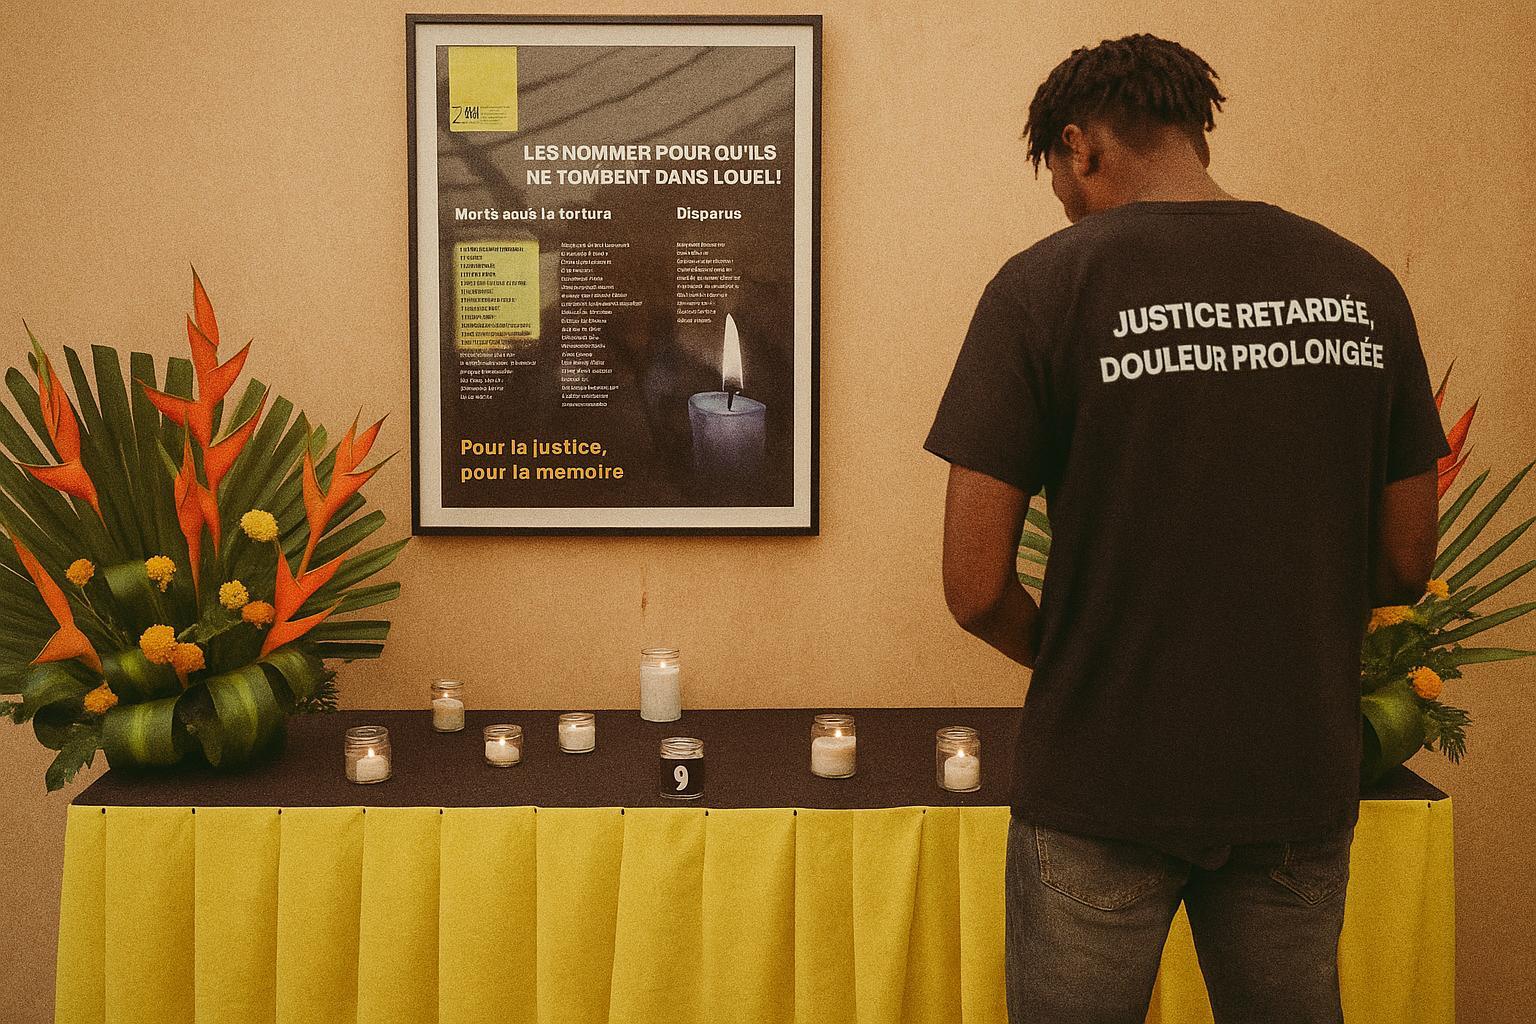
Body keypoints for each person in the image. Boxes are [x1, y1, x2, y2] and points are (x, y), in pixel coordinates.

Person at [923, 33, 1450, 1024]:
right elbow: (1405, 560)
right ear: (1191, 130)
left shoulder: (1042, 288)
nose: (1066, 204)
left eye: (1060, 182)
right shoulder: (1362, 287)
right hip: (1293, 774)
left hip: (1102, 781)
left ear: (1079, 146)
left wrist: (1082, 659)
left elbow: (974, 584)